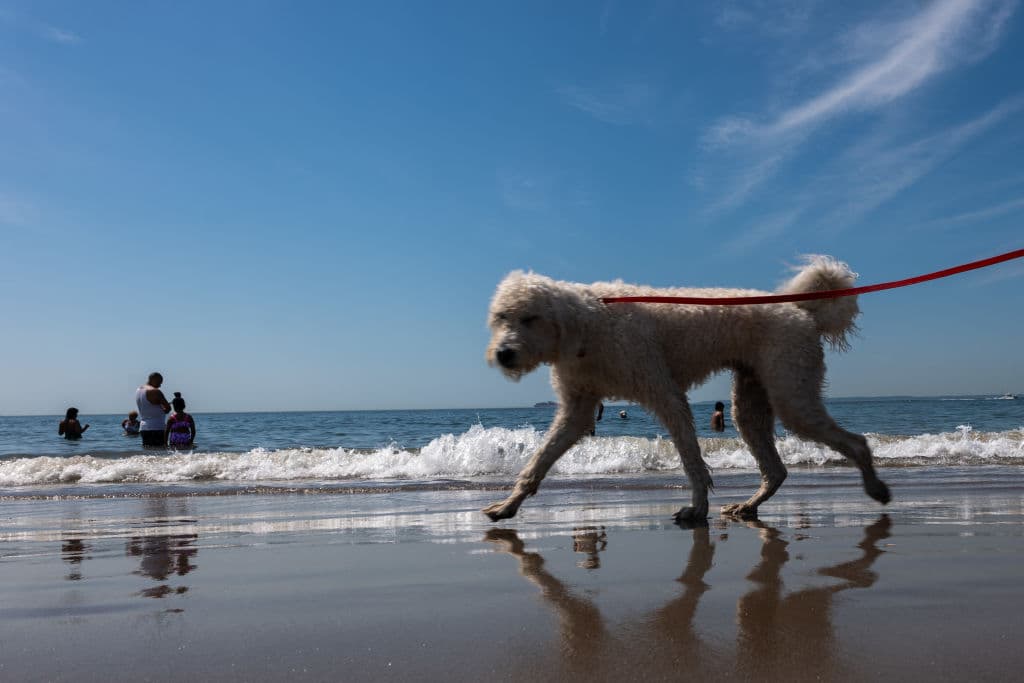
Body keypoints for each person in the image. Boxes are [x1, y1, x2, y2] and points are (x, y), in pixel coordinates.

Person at [136, 372, 171, 447]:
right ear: (153, 380)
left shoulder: (139, 390)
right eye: (159, 382)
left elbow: (148, 405)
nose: (160, 385)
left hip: (143, 428)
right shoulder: (155, 391)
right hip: (156, 427)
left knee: (148, 453)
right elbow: (168, 408)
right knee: (160, 453)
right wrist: (163, 408)